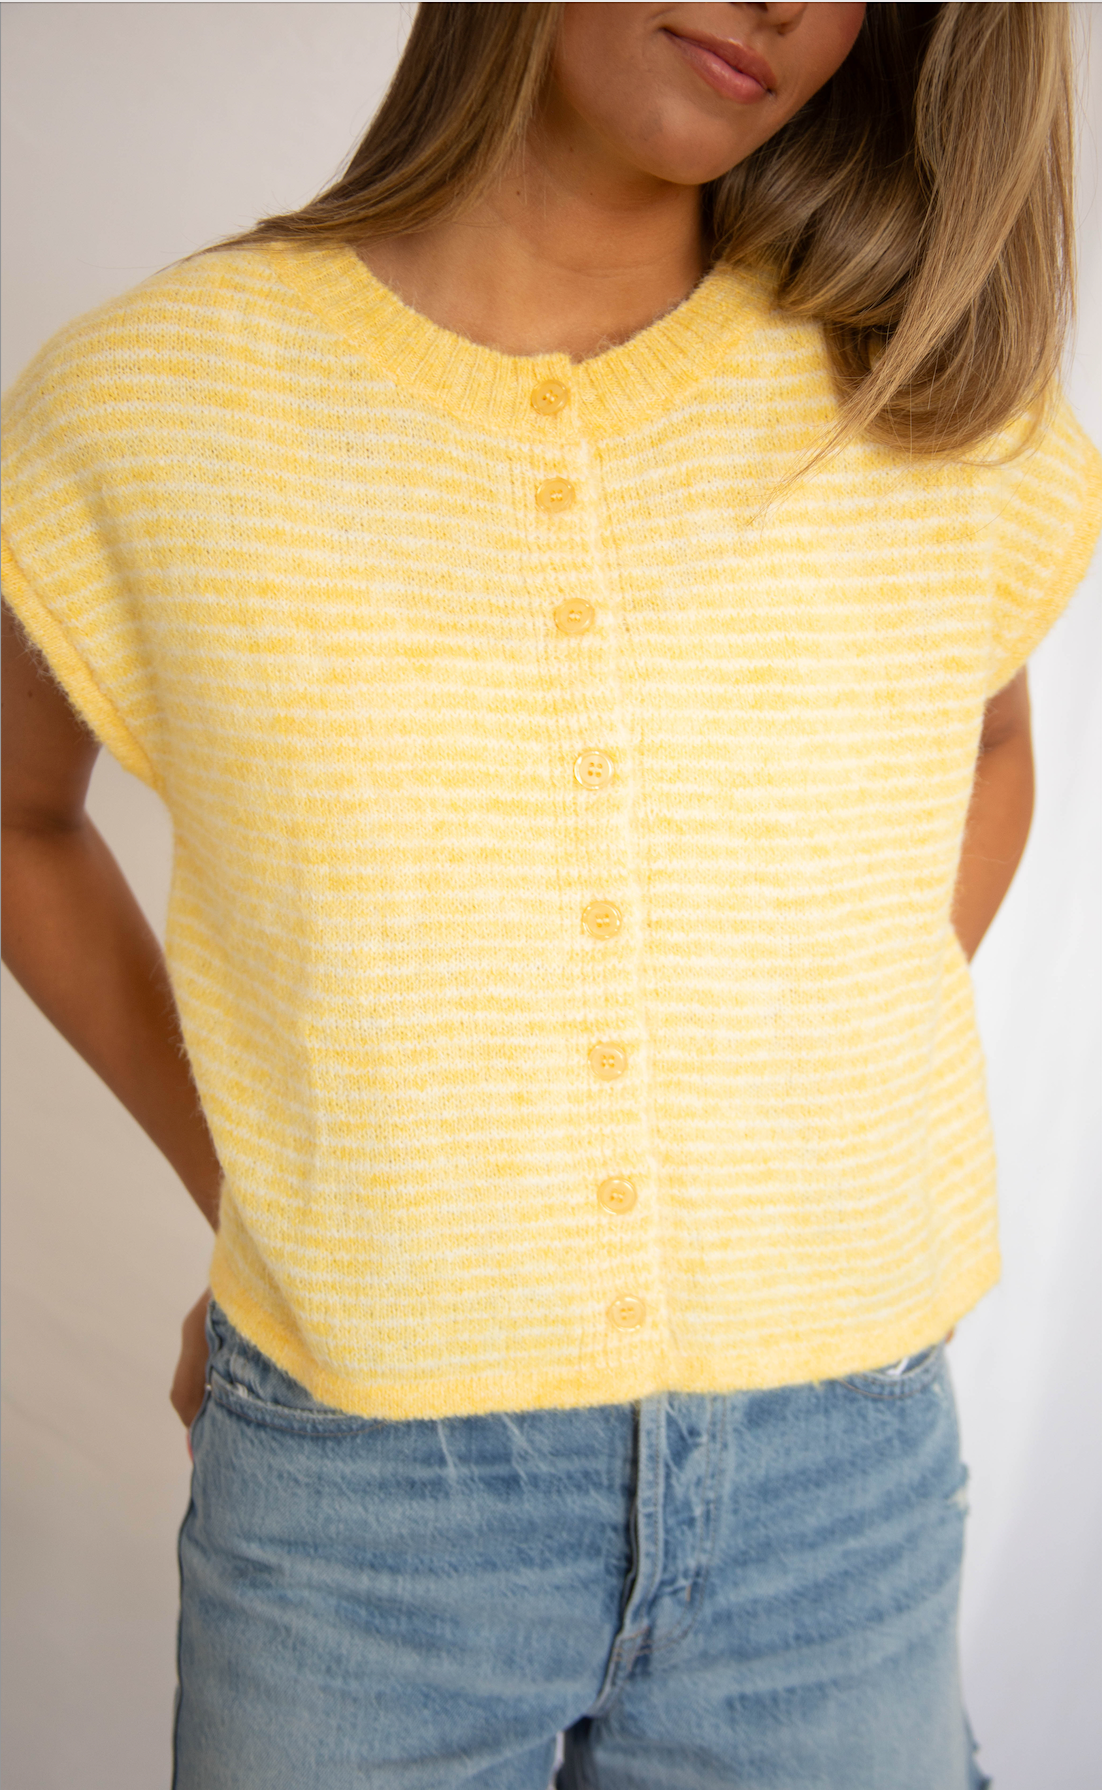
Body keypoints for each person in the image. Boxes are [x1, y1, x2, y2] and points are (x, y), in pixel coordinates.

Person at [2, 3, 1099, 1784]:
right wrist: (280, 1200)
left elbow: (982, 751)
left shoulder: (908, 394)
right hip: (363, 1521)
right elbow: (18, 817)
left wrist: (787, 1094)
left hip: (839, 1504)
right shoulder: (155, 403)